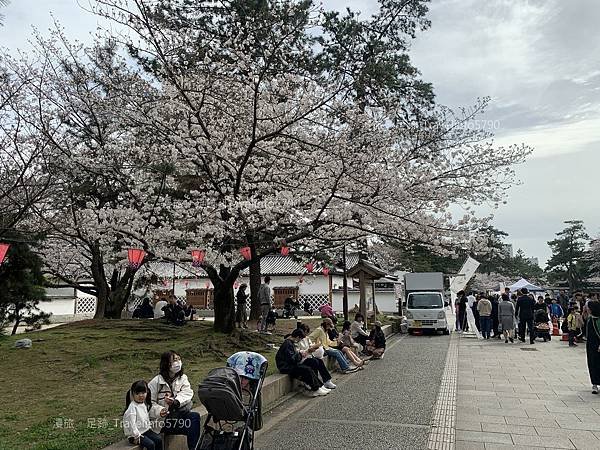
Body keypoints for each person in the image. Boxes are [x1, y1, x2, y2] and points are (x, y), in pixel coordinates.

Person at [148, 351, 200, 450]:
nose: (178, 362)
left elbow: (187, 393)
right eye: (174, 360)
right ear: (166, 363)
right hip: (163, 422)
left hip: (177, 418)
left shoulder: (183, 378)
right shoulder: (156, 382)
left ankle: (194, 448)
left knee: (194, 417)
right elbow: (149, 403)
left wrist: (175, 401)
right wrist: (160, 410)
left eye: (179, 359)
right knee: (191, 426)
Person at [275, 329, 331, 397]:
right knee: (306, 370)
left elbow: (293, 357)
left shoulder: (290, 343)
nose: (300, 340)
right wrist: (301, 354)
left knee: (308, 368)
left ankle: (319, 386)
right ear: (298, 337)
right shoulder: (288, 344)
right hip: (285, 367)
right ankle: (316, 389)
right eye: (300, 339)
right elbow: (292, 359)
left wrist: (300, 354)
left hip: (289, 365)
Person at [123, 380, 163, 450]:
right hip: (135, 435)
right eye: (137, 393)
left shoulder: (143, 404)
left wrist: (149, 427)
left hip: (145, 431)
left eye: (143, 392)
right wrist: (137, 436)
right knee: (151, 444)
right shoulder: (132, 408)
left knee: (159, 440)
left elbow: (145, 418)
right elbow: (132, 424)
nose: (141, 395)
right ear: (133, 394)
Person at [295, 324, 337, 389]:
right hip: (302, 359)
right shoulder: (297, 340)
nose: (305, 335)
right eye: (305, 332)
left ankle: (327, 381)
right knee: (314, 362)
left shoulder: (307, 338)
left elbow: (310, 345)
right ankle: (316, 383)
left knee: (319, 361)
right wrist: (308, 350)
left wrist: (315, 347)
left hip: (309, 356)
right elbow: (299, 352)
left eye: (306, 333)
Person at [585, 300, 600, 394]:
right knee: (592, 364)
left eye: (588, 307)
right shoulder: (590, 318)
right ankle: (594, 384)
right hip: (591, 345)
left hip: (598, 345)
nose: (587, 309)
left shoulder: (598, 320)